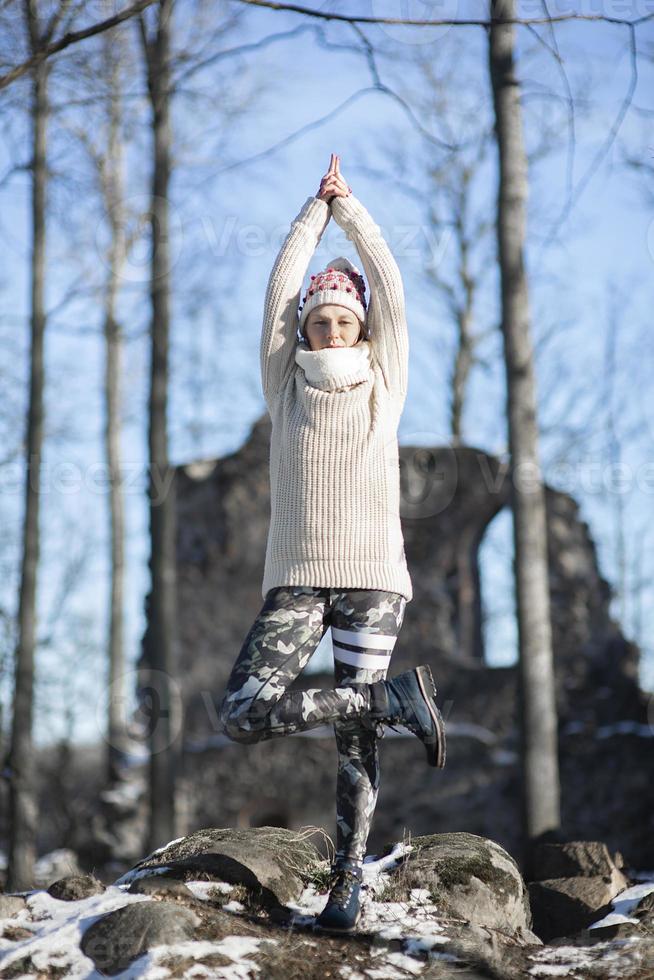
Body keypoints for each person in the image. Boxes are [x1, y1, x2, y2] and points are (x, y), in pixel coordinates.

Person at [218, 153, 446, 933]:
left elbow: (393, 285)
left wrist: (354, 213)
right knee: (245, 711)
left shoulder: (385, 377)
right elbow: (282, 289)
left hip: (374, 576)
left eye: (346, 318)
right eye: (322, 318)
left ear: (362, 325)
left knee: (355, 741)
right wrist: (312, 215)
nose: (332, 326)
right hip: (297, 579)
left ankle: (346, 884)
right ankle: (394, 702)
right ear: (307, 326)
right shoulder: (285, 383)